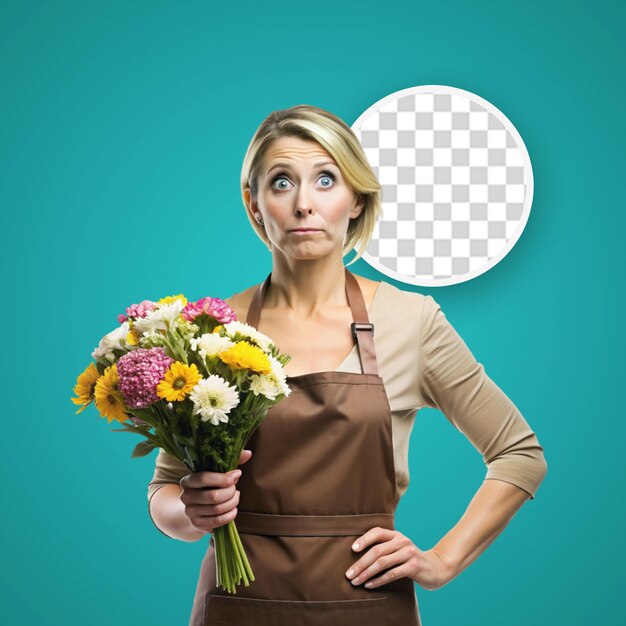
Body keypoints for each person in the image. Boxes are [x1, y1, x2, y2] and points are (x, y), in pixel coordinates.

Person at [147, 104, 548, 625]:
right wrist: (192, 512)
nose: (304, 205)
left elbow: (519, 454)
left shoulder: (411, 320)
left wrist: (442, 560)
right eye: (282, 181)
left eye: (327, 179)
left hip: (370, 606)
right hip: (238, 608)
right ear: (255, 205)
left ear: (357, 199)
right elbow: (166, 496)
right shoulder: (212, 331)